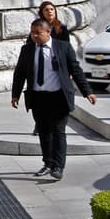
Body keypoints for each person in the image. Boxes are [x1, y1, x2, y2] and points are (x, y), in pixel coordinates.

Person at [11, 18, 96, 180]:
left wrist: (87, 92)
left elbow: (76, 70)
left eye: (38, 33)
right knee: (44, 132)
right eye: (32, 32)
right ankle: (48, 163)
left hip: (58, 97)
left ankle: (58, 166)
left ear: (47, 32)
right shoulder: (27, 50)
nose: (35, 36)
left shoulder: (62, 47)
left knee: (58, 132)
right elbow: (20, 73)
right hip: (38, 97)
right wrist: (15, 94)